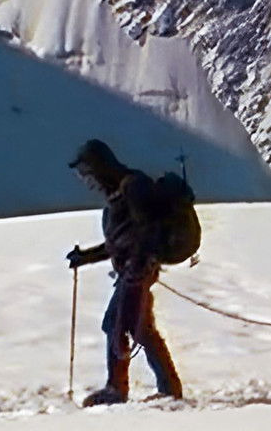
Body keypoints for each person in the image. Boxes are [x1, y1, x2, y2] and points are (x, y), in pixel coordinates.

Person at [65, 139, 184, 405]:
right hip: (135, 271)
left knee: (118, 324)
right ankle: (165, 388)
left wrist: (137, 266)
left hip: (138, 272)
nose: (86, 180)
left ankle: (120, 389)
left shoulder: (132, 187)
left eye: (87, 173)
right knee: (136, 328)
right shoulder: (121, 191)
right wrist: (86, 257)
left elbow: (146, 231)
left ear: (100, 167)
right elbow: (119, 242)